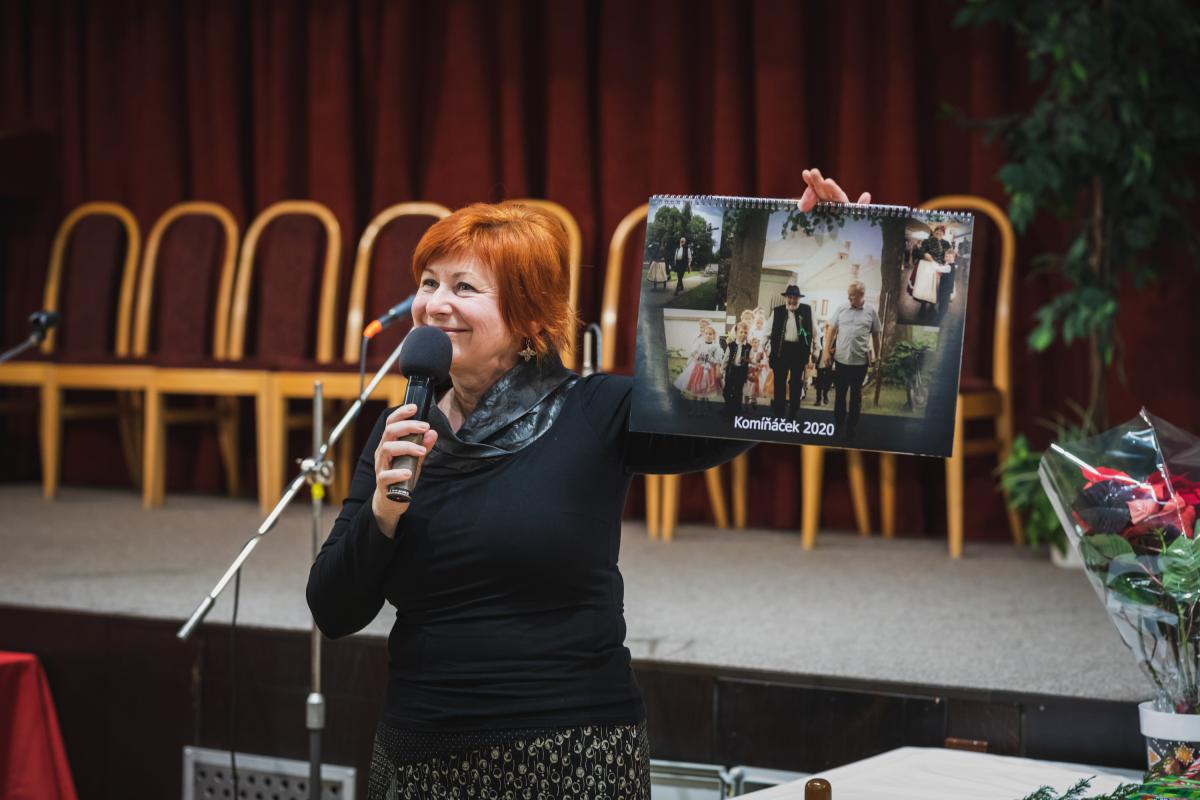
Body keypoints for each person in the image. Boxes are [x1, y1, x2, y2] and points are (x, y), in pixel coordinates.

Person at [307, 169, 867, 800]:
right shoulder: (401, 429)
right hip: (421, 753)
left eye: (464, 287)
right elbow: (333, 610)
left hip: (573, 751)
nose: (435, 304)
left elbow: (737, 416)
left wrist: (817, 237)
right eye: (428, 283)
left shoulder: (599, 410)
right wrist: (383, 511)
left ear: (529, 315)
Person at [828, 281, 882, 442]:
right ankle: (839, 425)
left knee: (855, 396)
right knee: (840, 395)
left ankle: (851, 428)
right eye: (849, 294)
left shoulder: (871, 312)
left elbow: (876, 335)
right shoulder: (841, 309)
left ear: (861, 295)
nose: (849, 297)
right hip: (841, 360)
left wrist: (877, 356)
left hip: (860, 362)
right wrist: (826, 352)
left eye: (853, 295)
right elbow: (831, 330)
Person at [768, 285, 814, 419]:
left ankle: (793, 411)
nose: (792, 300)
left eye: (795, 298)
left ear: (799, 299)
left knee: (795, 383)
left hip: (798, 351)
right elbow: (767, 331)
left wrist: (815, 352)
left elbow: (814, 332)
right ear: (785, 298)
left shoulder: (807, 310)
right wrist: (760, 350)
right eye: (790, 297)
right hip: (781, 350)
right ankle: (779, 412)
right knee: (779, 382)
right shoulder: (777, 311)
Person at [674, 324, 724, 399]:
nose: (708, 335)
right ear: (703, 335)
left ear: (714, 336)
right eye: (706, 333)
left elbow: (717, 360)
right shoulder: (700, 344)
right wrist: (697, 356)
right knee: (695, 384)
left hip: (709, 369)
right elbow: (693, 352)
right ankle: (695, 399)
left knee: (706, 387)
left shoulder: (716, 347)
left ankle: (705, 399)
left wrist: (709, 359)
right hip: (698, 367)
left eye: (710, 334)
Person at [722, 322, 753, 415]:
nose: (743, 334)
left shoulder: (749, 347)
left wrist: (750, 369)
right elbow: (726, 359)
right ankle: (728, 408)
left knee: (738, 392)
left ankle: (736, 411)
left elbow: (750, 360)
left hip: (741, 371)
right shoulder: (731, 345)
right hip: (731, 370)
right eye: (741, 332)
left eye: (745, 332)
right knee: (726, 391)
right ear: (736, 332)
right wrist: (721, 370)